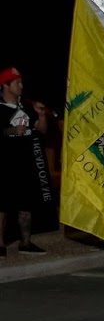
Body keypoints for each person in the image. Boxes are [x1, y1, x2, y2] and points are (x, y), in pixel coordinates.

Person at [1, 67, 48, 256]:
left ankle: (25, 243)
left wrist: (42, 114)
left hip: (26, 163)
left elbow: (42, 130)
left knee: (26, 205)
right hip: (4, 164)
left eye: (21, 82)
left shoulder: (27, 107)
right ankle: (0, 245)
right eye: (17, 83)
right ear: (5, 85)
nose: (21, 86)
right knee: (2, 204)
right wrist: (9, 132)